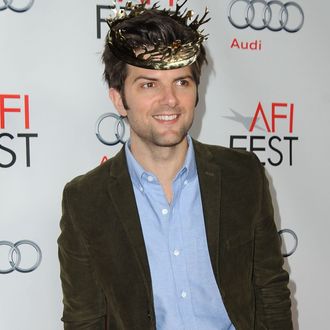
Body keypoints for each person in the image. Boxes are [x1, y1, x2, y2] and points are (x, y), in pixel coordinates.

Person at [58, 1, 293, 329]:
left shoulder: (243, 175)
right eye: (148, 84)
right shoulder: (86, 200)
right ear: (118, 98)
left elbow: (270, 291)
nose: (169, 99)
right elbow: (85, 320)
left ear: (197, 91)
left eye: (181, 81)